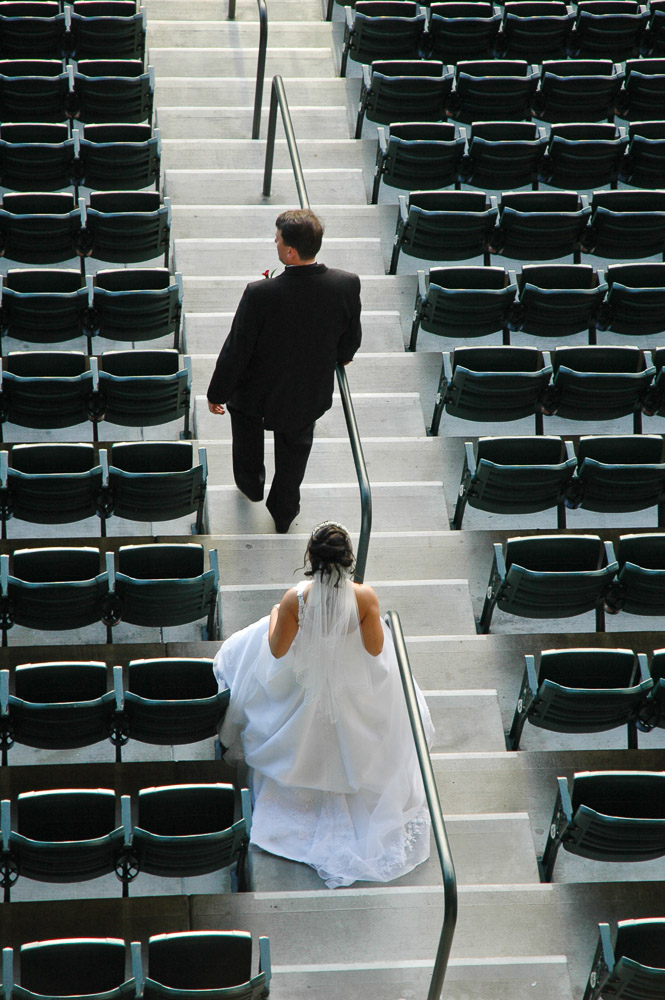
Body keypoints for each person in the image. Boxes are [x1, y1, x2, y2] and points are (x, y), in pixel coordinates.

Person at [212, 521, 434, 890]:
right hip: (349, 688)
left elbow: (278, 650)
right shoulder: (365, 598)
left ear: (310, 559)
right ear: (348, 559)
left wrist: (274, 618)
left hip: (306, 685)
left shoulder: (295, 599)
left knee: (248, 650)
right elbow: (376, 649)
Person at [206, 210, 362, 534]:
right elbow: (350, 339)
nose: (274, 242)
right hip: (306, 394)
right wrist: (342, 356)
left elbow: (237, 350)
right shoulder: (346, 284)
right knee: (295, 455)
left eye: (277, 239)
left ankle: (251, 486)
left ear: (290, 251)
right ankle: (284, 511)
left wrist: (216, 393)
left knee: (247, 442)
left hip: (255, 394)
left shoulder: (260, 294)